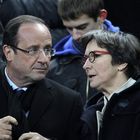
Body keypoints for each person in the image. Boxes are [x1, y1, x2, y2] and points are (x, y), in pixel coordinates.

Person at [0, 15, 83, 140]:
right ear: (8, 53)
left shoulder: (69, 101)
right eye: (32, 50)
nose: (44, 59)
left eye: (48, 50)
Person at [47, 0, 120, 104]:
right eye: (69, 28)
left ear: (101, 16)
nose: (75, 35)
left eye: (82, 27)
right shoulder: (54, 64)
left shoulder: (129, 54)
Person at [80, 30, 140, 140]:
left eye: (94, 56)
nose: (85, 66)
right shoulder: (91, 112)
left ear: (121, 62)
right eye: (85, 59)